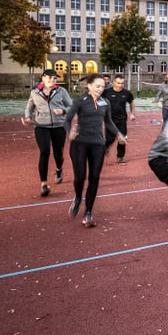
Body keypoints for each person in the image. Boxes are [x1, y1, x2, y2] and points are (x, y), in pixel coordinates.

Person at [64, 73, 126, 228]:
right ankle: (78, 197)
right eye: (97, 86)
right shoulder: (80, 101)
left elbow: (109, 121)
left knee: (94, 178)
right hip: (79, 144)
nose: (100, 89)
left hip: (98, 144)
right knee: (80, 177)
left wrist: (118, 134)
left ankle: (88, 213)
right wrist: (70, 131)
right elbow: (67, 120)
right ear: (89, 85)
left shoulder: (105, 103)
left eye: (102, 87)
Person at [22, 68, 72, 198]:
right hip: (41, 126)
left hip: (59, 126)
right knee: (44, 151)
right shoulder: (35, 92)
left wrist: (63, 111)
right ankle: (43, 184)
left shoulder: (62, 91)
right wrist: (27, 117)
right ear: (43, 78)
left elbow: (71, 106)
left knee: (58, 152)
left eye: (55, 78)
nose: (52, 80)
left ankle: (59, 169)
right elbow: (30, 107)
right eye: (49, 78)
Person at [103, 74, 135, 164]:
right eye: (118, 83)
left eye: (122, 83)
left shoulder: (127, 93)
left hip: (122, 119)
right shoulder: (106, 92)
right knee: (110, 139)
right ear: (113, 82)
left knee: (122, 139)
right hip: (110, 119)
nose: (120, 85)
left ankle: (120, 156)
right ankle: (105, 148)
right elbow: (97, 100)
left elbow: (131, 102)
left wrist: (132, 113)